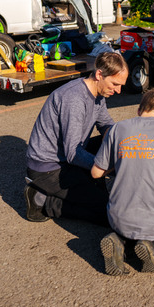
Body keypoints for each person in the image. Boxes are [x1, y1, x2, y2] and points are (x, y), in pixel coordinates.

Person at [91, 88, 154, 276]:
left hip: (117, 218)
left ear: (139, 110)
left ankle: (119, 241)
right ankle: (151, 245)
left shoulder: (117, 128)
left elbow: (96, 173)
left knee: (129, 226)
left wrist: (124, 158)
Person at [24, 52, 128, 225]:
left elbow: (106, 127)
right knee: (110, 212)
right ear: (99, 75)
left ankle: (90, 184)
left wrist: (126, 150)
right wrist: (108, 167)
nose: (118, 90)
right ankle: (43, 201)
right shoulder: (74, 99)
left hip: (69, 157)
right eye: (115, 84)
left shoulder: (99, 94)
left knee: (104, 146)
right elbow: (73, 153)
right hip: (49, 168)